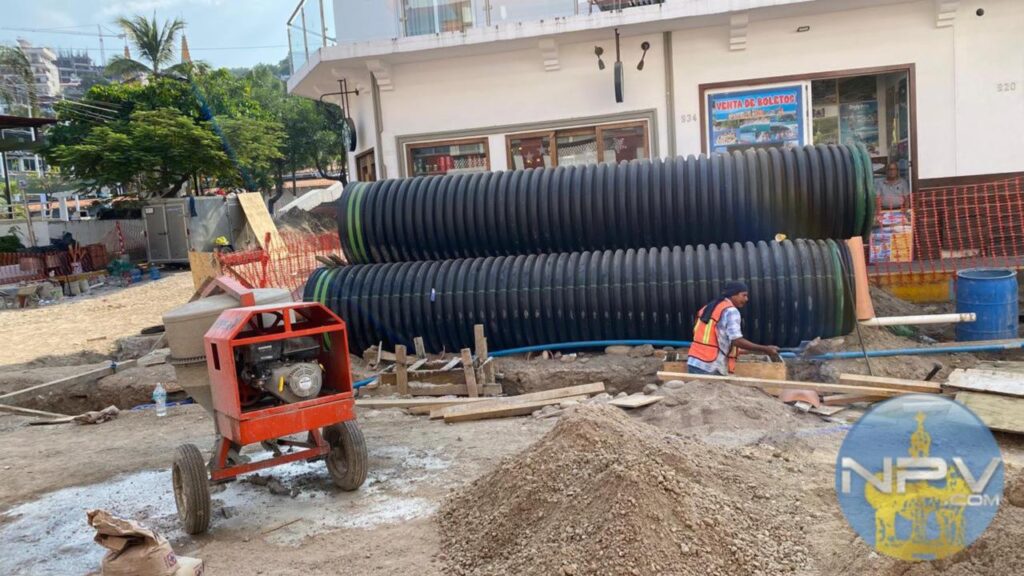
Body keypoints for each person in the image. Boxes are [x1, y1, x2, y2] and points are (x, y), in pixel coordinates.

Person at [687, 281, 780, 376]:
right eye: (744, 295)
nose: (746, 299)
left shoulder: (706, 308)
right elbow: (737, 341)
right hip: (709, 367)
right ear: (733, 294)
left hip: (694, 362)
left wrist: (762, 349)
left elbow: (714, 340)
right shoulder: (731, 311)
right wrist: (765, 349)